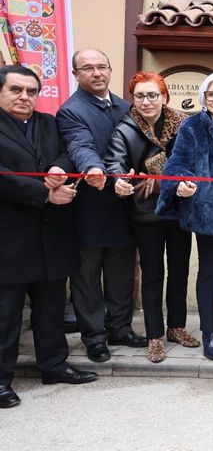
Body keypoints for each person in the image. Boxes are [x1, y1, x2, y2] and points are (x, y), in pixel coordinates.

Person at [0, 65, 97, 409]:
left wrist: (59, 168)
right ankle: (1, 381)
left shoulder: (48, 122)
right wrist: (44, 192)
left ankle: (54, 365)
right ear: (1, 92)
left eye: (31, 91)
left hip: (52, 234)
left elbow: (67, 151)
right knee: (6, 313)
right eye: (16, 90)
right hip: (10, 237)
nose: (24, 97)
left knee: (52, 307)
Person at [57, 49, 145, 362]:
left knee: (122, 273)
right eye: (87, 68)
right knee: (87, 277)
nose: (96, 73)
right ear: (75, 74)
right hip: (90, 207)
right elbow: (80, 145)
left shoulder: (126, 106)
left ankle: (120, 327)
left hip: (125, 206)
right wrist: (95, 171)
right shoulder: (71, 110)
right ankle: (94, 336)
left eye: (101, 67)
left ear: (109, 70)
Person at [155, 72, 213, 361]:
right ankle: (208, 332)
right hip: (208, 210)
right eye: (211, 95)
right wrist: (181, 182)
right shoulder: (192, 126)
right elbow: (177, 164)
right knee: (210, 272)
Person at [104, 71, 196, 363]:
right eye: (140, 96)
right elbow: (115, 163)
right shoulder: (125, 130)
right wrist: (117, 180)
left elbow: (193, 160)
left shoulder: (183, 124)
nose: (146, 101)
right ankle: (155, 335)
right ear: (133, 99)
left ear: (164, 96)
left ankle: (177, 327)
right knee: (153, 273)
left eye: (152, 95)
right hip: (146, 213)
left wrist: (163, 178)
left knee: (180, 269)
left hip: (180, 208)